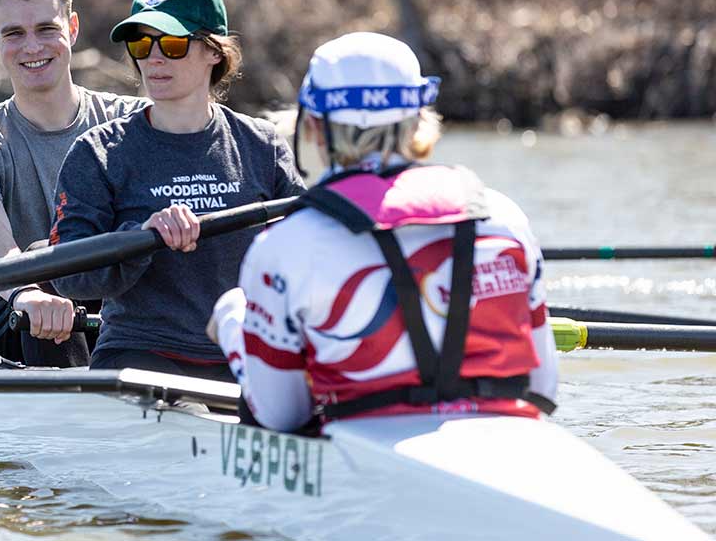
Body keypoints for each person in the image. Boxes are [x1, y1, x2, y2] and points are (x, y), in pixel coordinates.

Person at [210, 31, 558, 432]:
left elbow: (281, 415)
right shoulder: (502, 217)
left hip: (368, 456)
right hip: (507, 442)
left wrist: (232, 319)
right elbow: (543, 389)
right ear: (418, 120)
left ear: (313, 127)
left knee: (238, 308)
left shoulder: (285, 246)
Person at [44, 0, 303, 381]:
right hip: (140, 350)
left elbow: (306, 250)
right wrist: (140, 237)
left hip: (242, 349)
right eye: (141, 45)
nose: (154, 59)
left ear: (214, 52)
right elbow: (70, 275)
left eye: (172, 44)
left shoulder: (262, 146)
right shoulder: (98, 152)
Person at [0, 0, 145, 365]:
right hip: (22, 321)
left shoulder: (132, 122)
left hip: (128, 315)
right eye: (14, 33)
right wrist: (25, 294)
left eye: (46, 29)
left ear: (72, 28)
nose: (32, 47)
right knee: (45, 257)